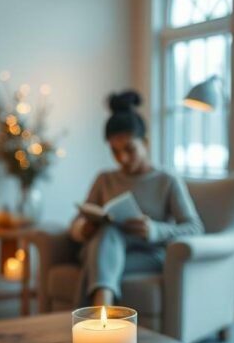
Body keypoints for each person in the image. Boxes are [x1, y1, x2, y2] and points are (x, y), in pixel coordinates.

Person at [70, 90, 204, 307]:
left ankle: (96, 316)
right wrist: (82, 228)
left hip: (149, 255)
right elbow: (74, 224)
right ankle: (104, 318)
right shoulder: (105, 179)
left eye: (129, 149)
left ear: (146, 142)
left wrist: (154, 230)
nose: (122, 158)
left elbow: (195, 227)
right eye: (114, 151)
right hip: (109, 248)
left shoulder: (167, 180)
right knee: (107, 235)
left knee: (97, 264)